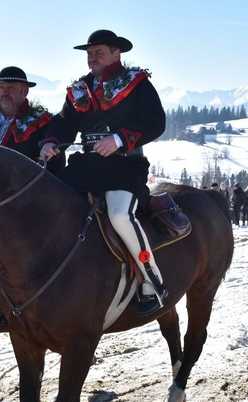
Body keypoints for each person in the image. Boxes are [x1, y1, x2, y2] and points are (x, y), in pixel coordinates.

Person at [40, 29, 167, 317]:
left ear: (116, 54)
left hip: (126, 166)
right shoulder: (80, 90)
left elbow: (156, 122)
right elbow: (62, 123)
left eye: (98, 52)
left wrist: (120, 140)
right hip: (86, 167)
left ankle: (151, 279)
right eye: (89, 54)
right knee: (49, 206)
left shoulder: (137, 84)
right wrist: (49, 142)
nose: (92, 58)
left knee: (120, 215)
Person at [0, 66, 64, 175]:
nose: (5, 92)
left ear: (25, 91)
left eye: (11, 88)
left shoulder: (40, 123)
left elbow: (55, 165)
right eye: (1, 87)